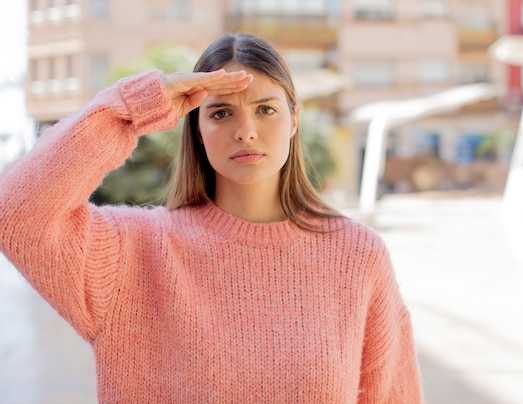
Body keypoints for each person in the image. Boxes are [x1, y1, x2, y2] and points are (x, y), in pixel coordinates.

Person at [0, 33, 422, 402]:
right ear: (197, 130)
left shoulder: (356, 255)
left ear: (295, 119)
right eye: (221, 113)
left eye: (266, 109)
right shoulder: (134, 252)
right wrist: (138, 105)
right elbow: (16, 209)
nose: (246, 130)